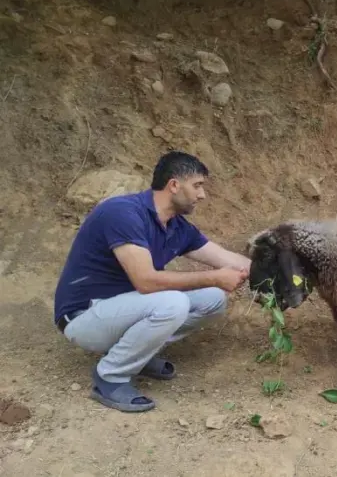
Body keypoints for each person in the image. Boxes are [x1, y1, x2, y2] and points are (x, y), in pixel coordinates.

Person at [53, 150, 251, 413]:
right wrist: (214, 277)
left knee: (213, 299)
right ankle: (109, 377)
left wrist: (283, 271)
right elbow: (145, 281)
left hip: (121, 311)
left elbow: (226, 258)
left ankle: (136, 353)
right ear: (174, 185)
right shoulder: (123, 213)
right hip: (84, 316)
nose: (202, 195)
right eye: (198, 186)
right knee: (173, 303)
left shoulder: (177, 227)